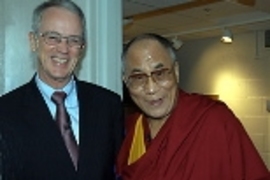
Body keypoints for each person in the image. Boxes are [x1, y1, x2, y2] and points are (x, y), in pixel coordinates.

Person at [116, 33, 270, 180]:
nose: (151, 88)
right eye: (138, 77)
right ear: (125, 81)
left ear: (176, 71)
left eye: (160, 73)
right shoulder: (129, 130)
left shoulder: (214, 120)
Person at [0, 0, 124, 179]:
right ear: (33, 41)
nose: (63, 49)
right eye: (53, 37)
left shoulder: (108, 105)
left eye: (74, 40)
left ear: (82, 48)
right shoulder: (6, 111)